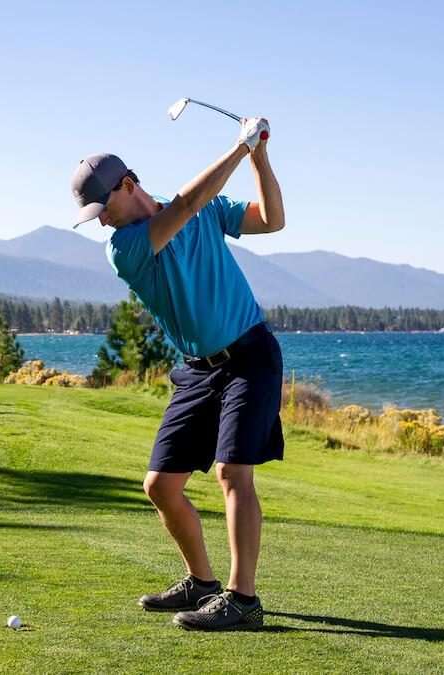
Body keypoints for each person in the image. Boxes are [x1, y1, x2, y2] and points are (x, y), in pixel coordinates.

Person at [69, 117, 285, 631]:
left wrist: (258, 157)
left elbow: (272, 220)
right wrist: (239, 146)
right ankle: (202, 583)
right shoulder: (124, 247)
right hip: (197, 372)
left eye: (104, 209)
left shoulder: (206, 207)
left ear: (128, 184)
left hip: (249, 357)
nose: (101, 222)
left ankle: (242, 599)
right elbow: (187, 205)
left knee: (232, 472)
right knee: (160, 486)